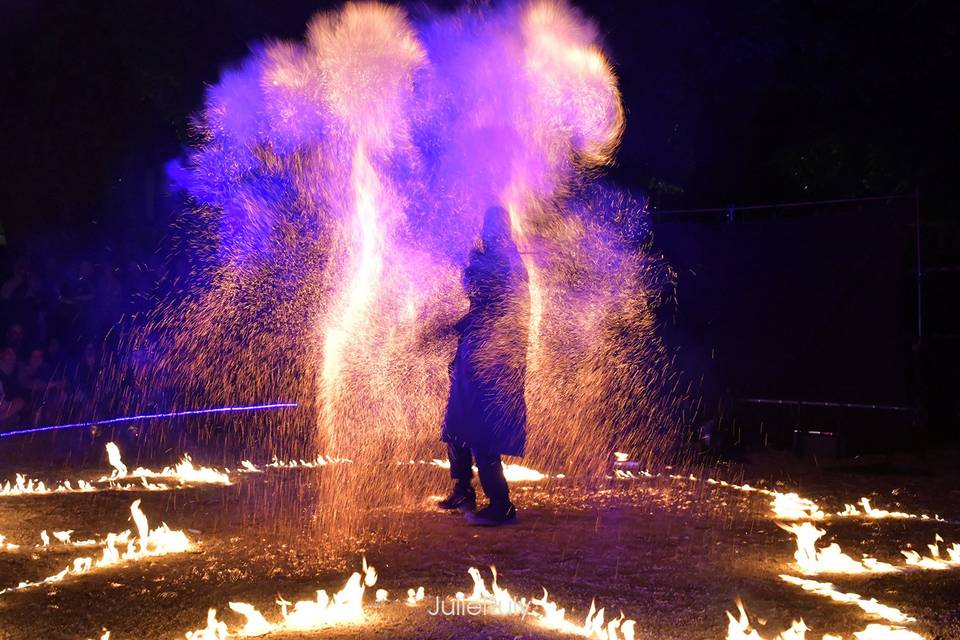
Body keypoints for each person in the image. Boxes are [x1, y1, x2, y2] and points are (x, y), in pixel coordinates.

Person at [437, 206, 529, 526]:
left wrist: (472, 262)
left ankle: (501, 504)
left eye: (489, 228)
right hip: (476, 352)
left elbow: (483, 296)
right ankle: (462, 488)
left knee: (480, 430)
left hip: (492, 360)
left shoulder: (503, 262)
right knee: (456, 424)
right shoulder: (498, 259)